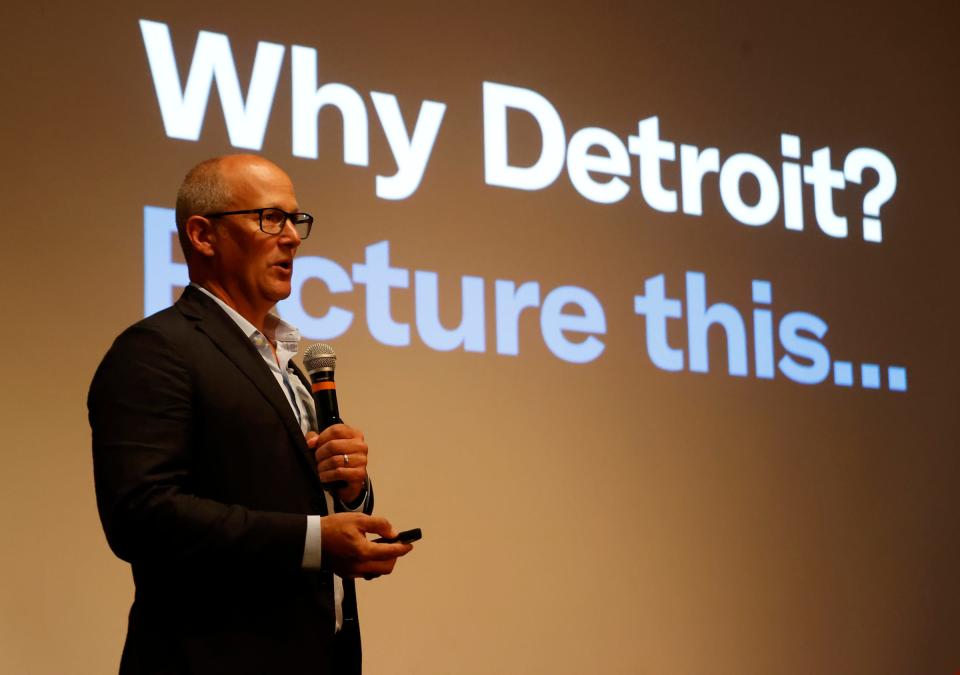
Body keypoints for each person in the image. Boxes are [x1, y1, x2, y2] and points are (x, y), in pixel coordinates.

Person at [88, 154, 413, 675]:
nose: (292, 238)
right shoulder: (156, 350)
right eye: (271, 218)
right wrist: (313, 542)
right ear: (202, 235)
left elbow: (289, 498)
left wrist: (350, 489)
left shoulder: (286, 363)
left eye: (296, 220)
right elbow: (141, 516)